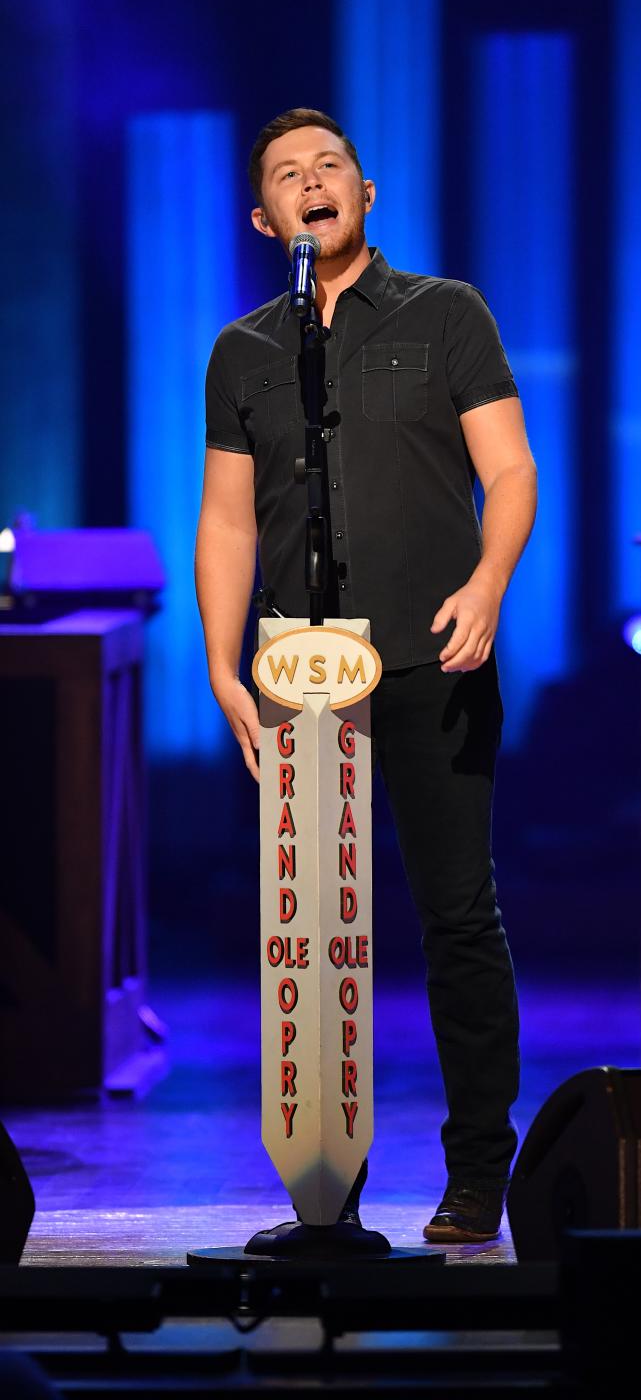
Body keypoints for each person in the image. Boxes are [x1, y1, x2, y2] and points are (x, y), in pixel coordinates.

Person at [195, 108, 537, 1243]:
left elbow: (511, 466)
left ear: (368, 191)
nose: (312, 183)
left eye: (329, 165)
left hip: (435, 657)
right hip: (301, 672)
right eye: (287, 176)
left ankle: (479, 1171)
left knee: (455, 915)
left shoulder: (447, 314)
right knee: (313, 931)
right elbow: (229, 520)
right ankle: (324, 1195)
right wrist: (221, 658)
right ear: (263, 217)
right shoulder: (245, 351)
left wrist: (488, 583)